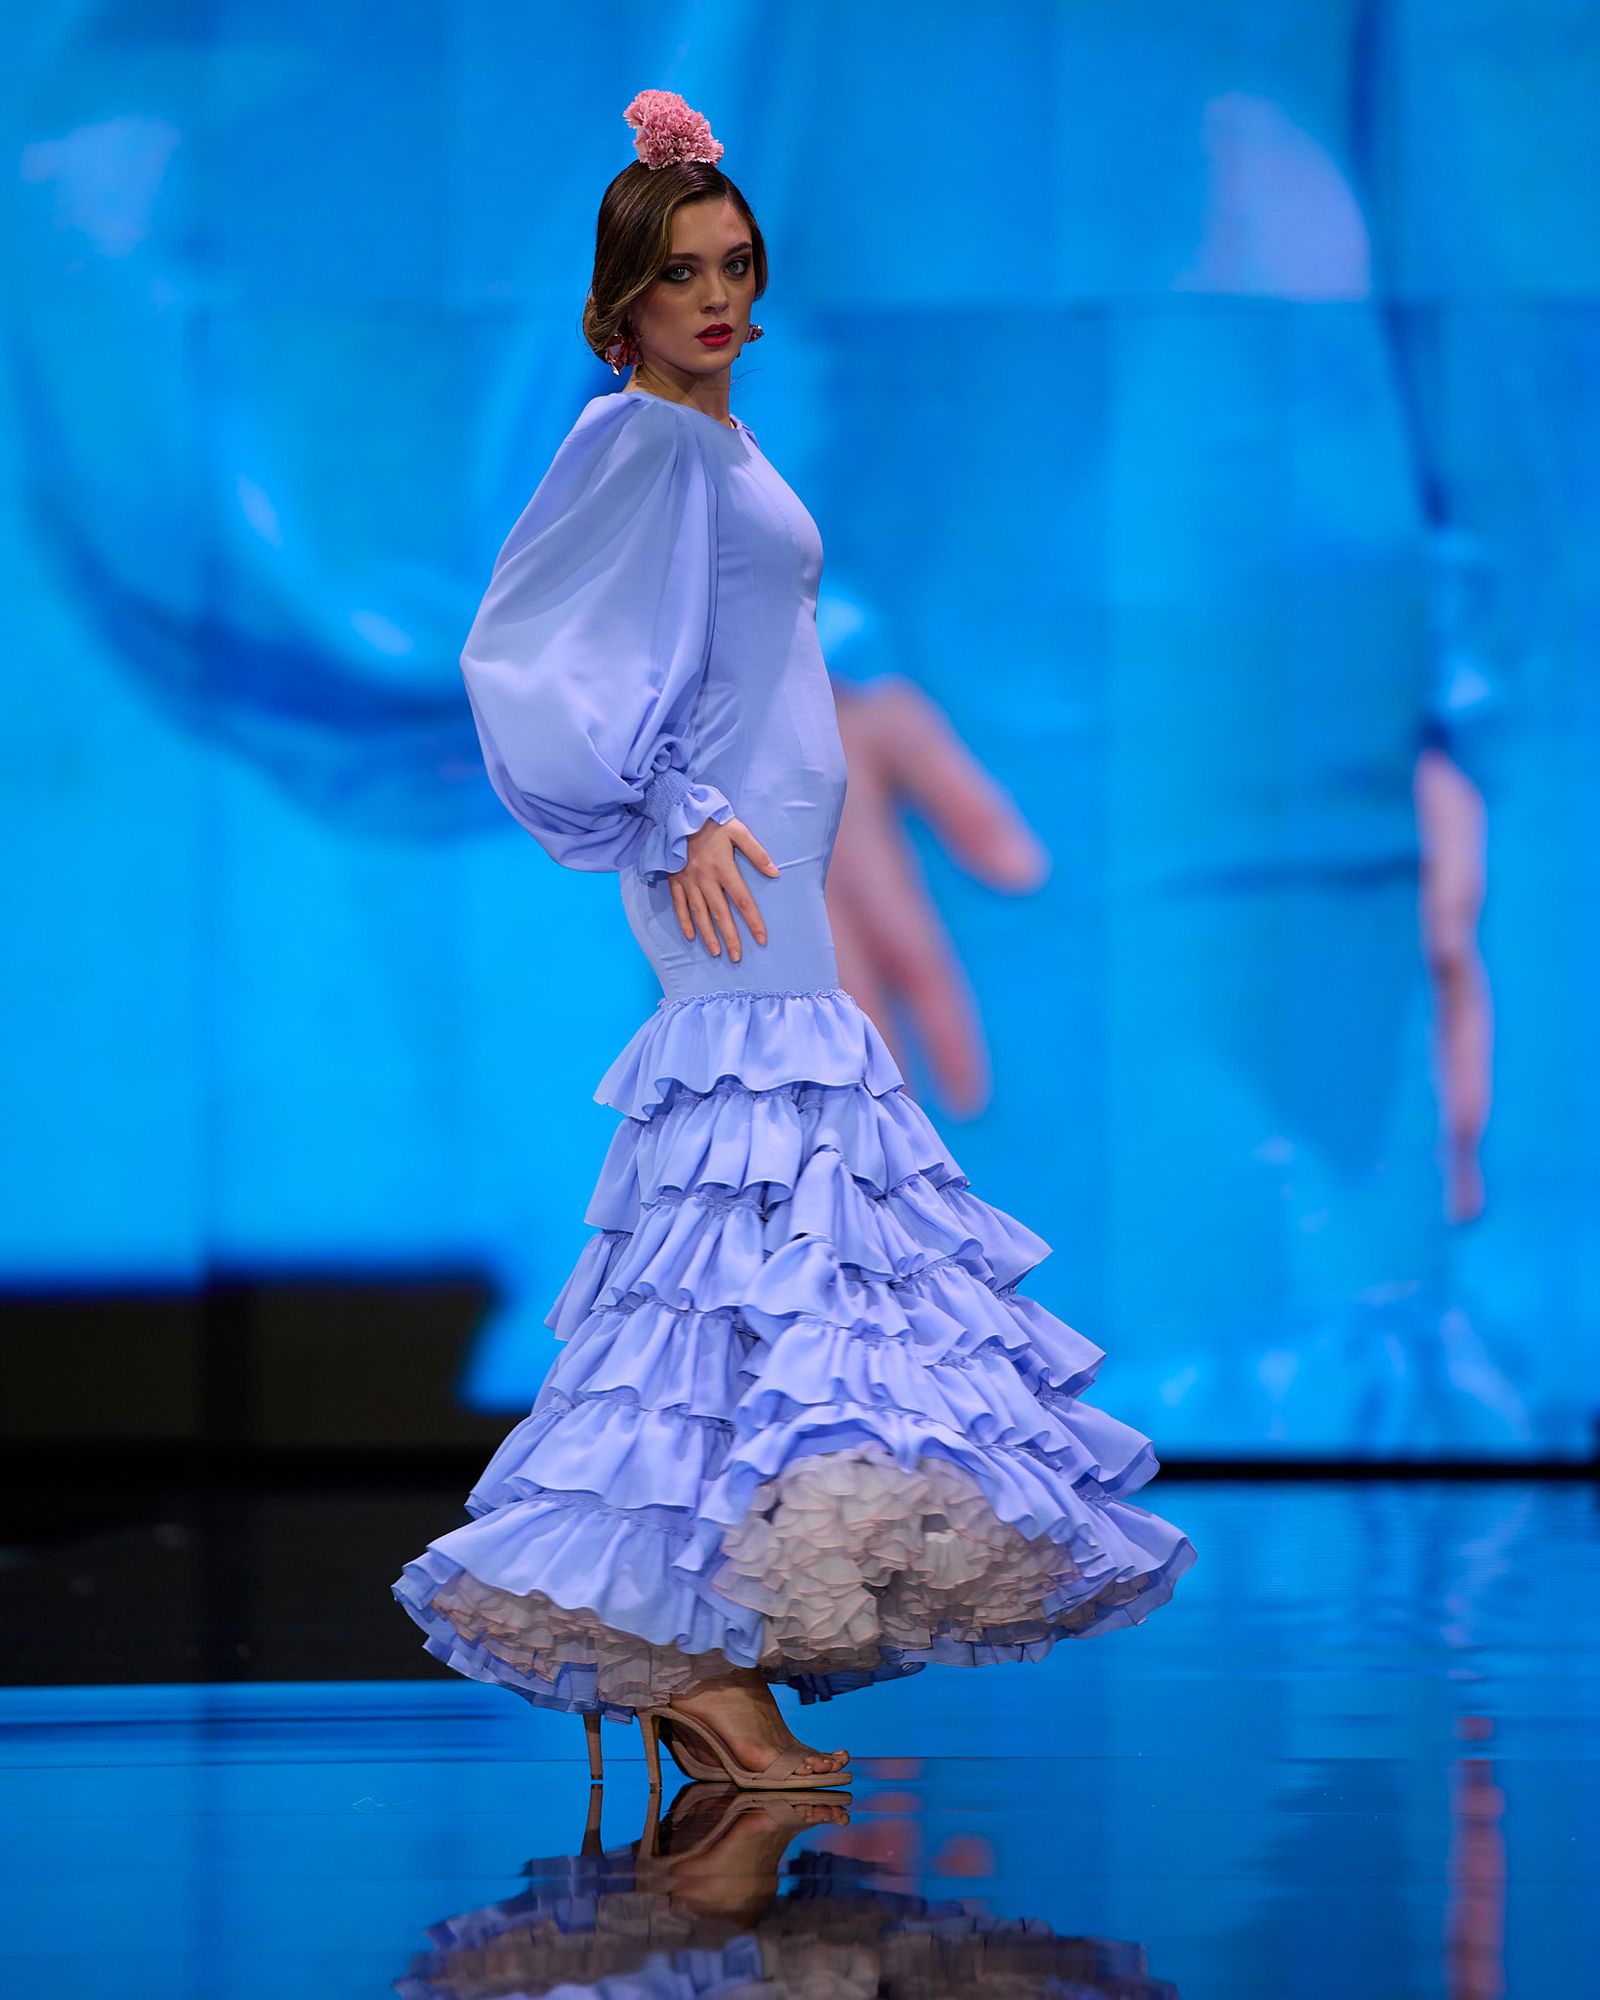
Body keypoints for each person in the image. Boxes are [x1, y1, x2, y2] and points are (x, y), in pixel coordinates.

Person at [391, 88, 1198, 1790]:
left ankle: (696, 1628)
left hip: (775, 854)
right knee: (747, 1198)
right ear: (620, 303)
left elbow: (729, 647)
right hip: (730, 867)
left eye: (736, 264)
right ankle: (673, 1639)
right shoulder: (641, 439)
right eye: (681, 271)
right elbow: (526, 655)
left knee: (762, 1221)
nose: (714, 295)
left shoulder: (720, 441)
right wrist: (671, 810)